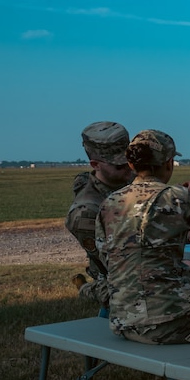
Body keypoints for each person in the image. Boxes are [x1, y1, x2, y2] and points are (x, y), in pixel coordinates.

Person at [96, 129, 190, 347]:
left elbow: (104, 254)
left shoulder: (110, 202)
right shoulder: (177, 198)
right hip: (171, 318)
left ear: (131, 165)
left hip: (122, 319)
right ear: (168, 163)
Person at [65, 121, 134, 310]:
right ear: (96, 165)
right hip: (118, 275)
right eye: (120, 166)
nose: (130, 169)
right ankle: (87, 289)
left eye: (131, 161)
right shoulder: (85, 213)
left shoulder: (130, 181)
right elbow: (115, 266)